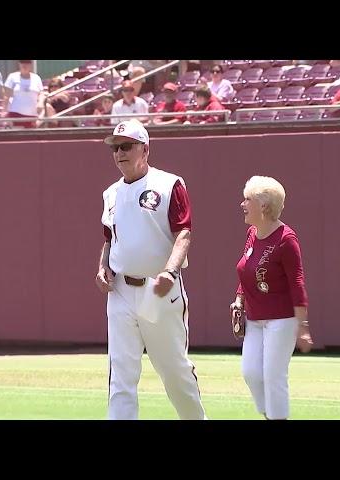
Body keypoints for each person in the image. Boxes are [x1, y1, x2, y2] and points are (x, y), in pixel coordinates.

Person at [96, 119, 207, 420]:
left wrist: (170, 273)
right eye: (115, 148)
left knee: (174, 372)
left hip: (158, 289)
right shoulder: (111, 193)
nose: (120, 153)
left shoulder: (169, 184)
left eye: (126, 146)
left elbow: (184, 232)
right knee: (121, 375)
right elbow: (110, 237)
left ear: (145, 149)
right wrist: (102, 266)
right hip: (120, 291)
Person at [230, 175, 313, 420]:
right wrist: (239, 299)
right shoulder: (252, 233)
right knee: (251, 373)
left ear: (264, 206)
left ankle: (277, 417)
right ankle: (271, 415)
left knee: (274, 375)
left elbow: (297, 284)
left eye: (247, 200)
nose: (242, 204)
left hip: (282, 319)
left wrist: (302, 326)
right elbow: (246, 271)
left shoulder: (287, 240)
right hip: (255, 318)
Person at [3, 60, 45, 128]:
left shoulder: (36, 78)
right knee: (17, 137)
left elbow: (41, 93)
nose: (24, 65)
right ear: (19, 64)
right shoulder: (12, 77)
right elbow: (6, 96)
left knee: (31, 137)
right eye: (22, 62)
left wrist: (40, 102)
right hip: (15, 114)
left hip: (32, 115)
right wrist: (4, 113)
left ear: (31, 64)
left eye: (27, 62)